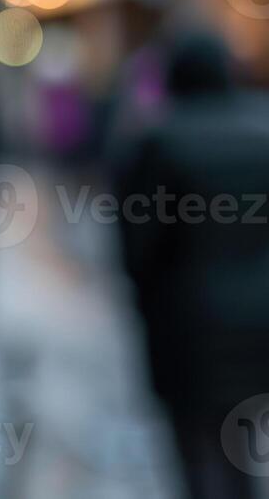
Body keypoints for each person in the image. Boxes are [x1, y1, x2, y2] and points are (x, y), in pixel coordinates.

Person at [116, 30, 269, 499]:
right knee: (242, 447)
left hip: (186, 325)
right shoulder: (261, 132)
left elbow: (138, 246)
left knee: (196, 454)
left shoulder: (159, 141)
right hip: (258, 323)